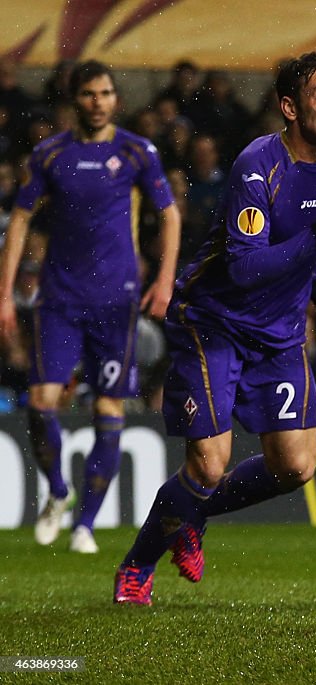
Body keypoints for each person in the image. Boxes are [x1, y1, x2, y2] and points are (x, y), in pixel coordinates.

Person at [113, 52, 316, 605]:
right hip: (215, 320)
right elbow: (245, 267)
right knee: (207, 464)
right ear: (289, 107)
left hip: (279, 331)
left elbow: (313, 234)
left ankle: (192, 513)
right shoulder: (258, 166)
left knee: (296, 466)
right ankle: (136, 565)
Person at [0, 60, 181, 553]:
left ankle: (86, 523)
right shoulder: (49, 154)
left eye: (105, 93)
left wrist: (164, 280)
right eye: (88, 94)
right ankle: (58, 490)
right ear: (74, 99)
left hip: (116, 300)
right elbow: (19, 222)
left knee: (108, 405)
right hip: (58, 297)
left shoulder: (137, 152)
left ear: (115, 99)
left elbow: (169, 215)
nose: (97, 101)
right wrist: (4, 292)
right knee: (41, 403)